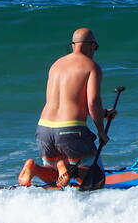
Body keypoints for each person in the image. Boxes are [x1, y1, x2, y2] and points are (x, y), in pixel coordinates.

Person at [30, 28, 111, 190]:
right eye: (96, 47)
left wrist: (104, 114)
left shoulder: (56, 65)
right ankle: (68, 169)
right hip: (70, 129)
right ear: (91, 45)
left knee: (55, 178)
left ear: (74, 45)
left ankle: (35, 168)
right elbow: (92, 102)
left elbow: (68, 102)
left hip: (44, 127)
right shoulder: (91, 66)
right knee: (96, 179)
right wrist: (101, 131)